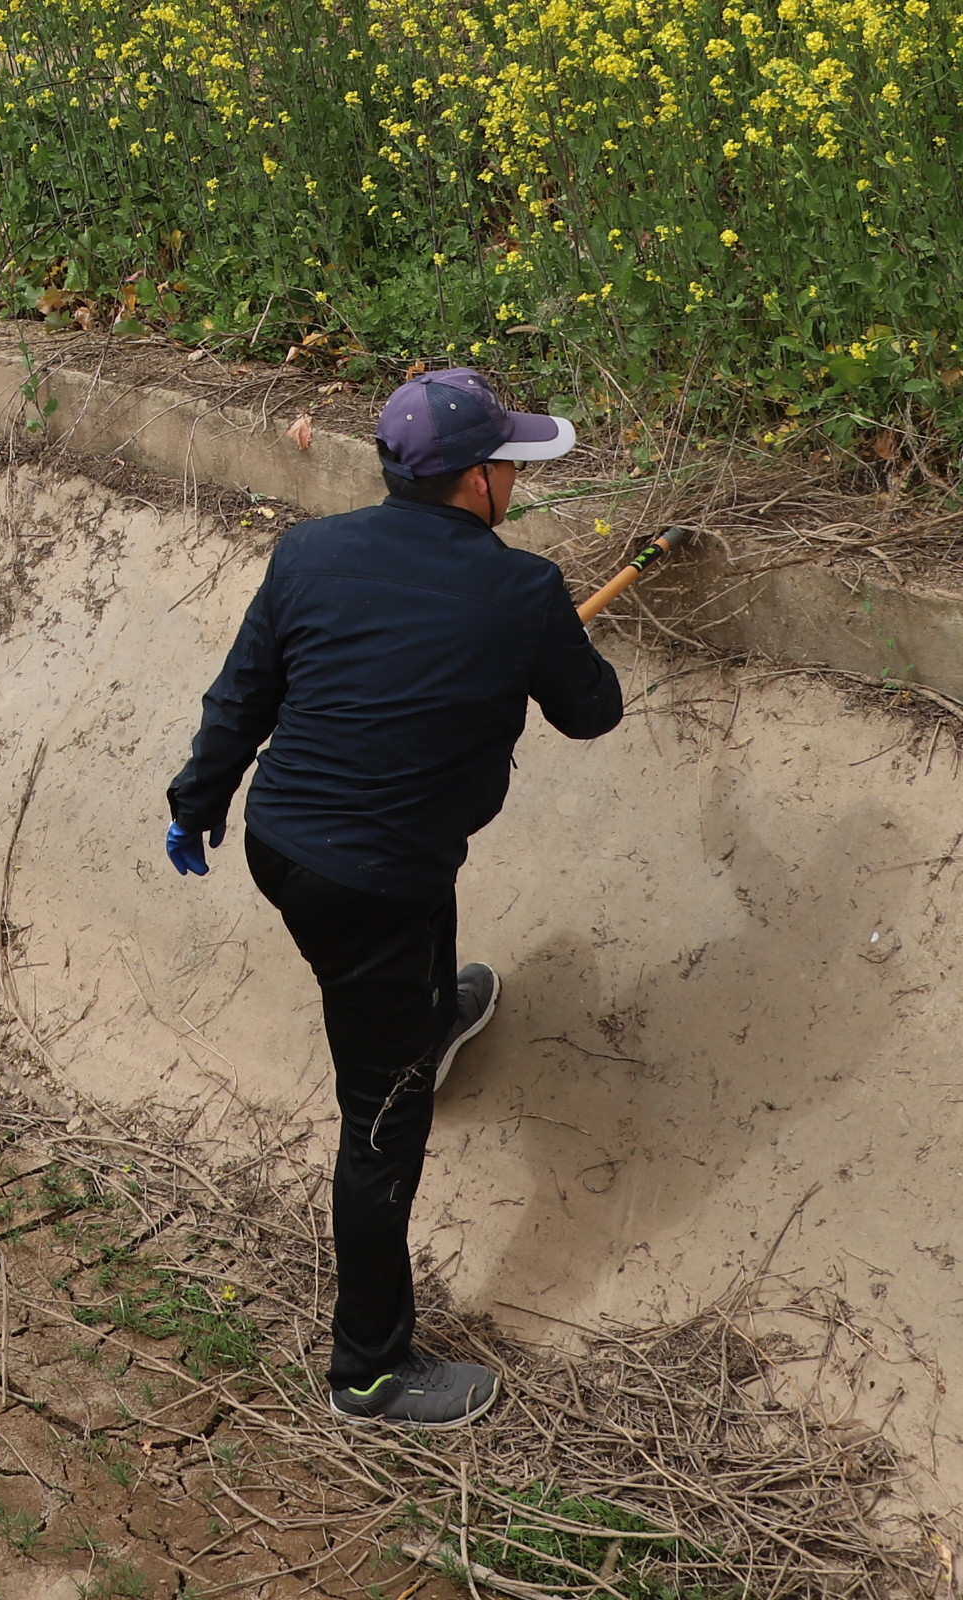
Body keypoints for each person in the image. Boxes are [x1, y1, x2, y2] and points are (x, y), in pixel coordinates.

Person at [162, 366, 622, 1427]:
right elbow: (592, 710)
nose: (516, 479)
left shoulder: (309, 552)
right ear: (476, 481)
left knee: (403, 935)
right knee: (380, 1122)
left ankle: (427, 1015)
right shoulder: (522, 590)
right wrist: (545, 643)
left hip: (283, 843)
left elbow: (243, 693)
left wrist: (195, 800)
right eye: (509, 464)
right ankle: (368, 1370)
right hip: (372, 882)